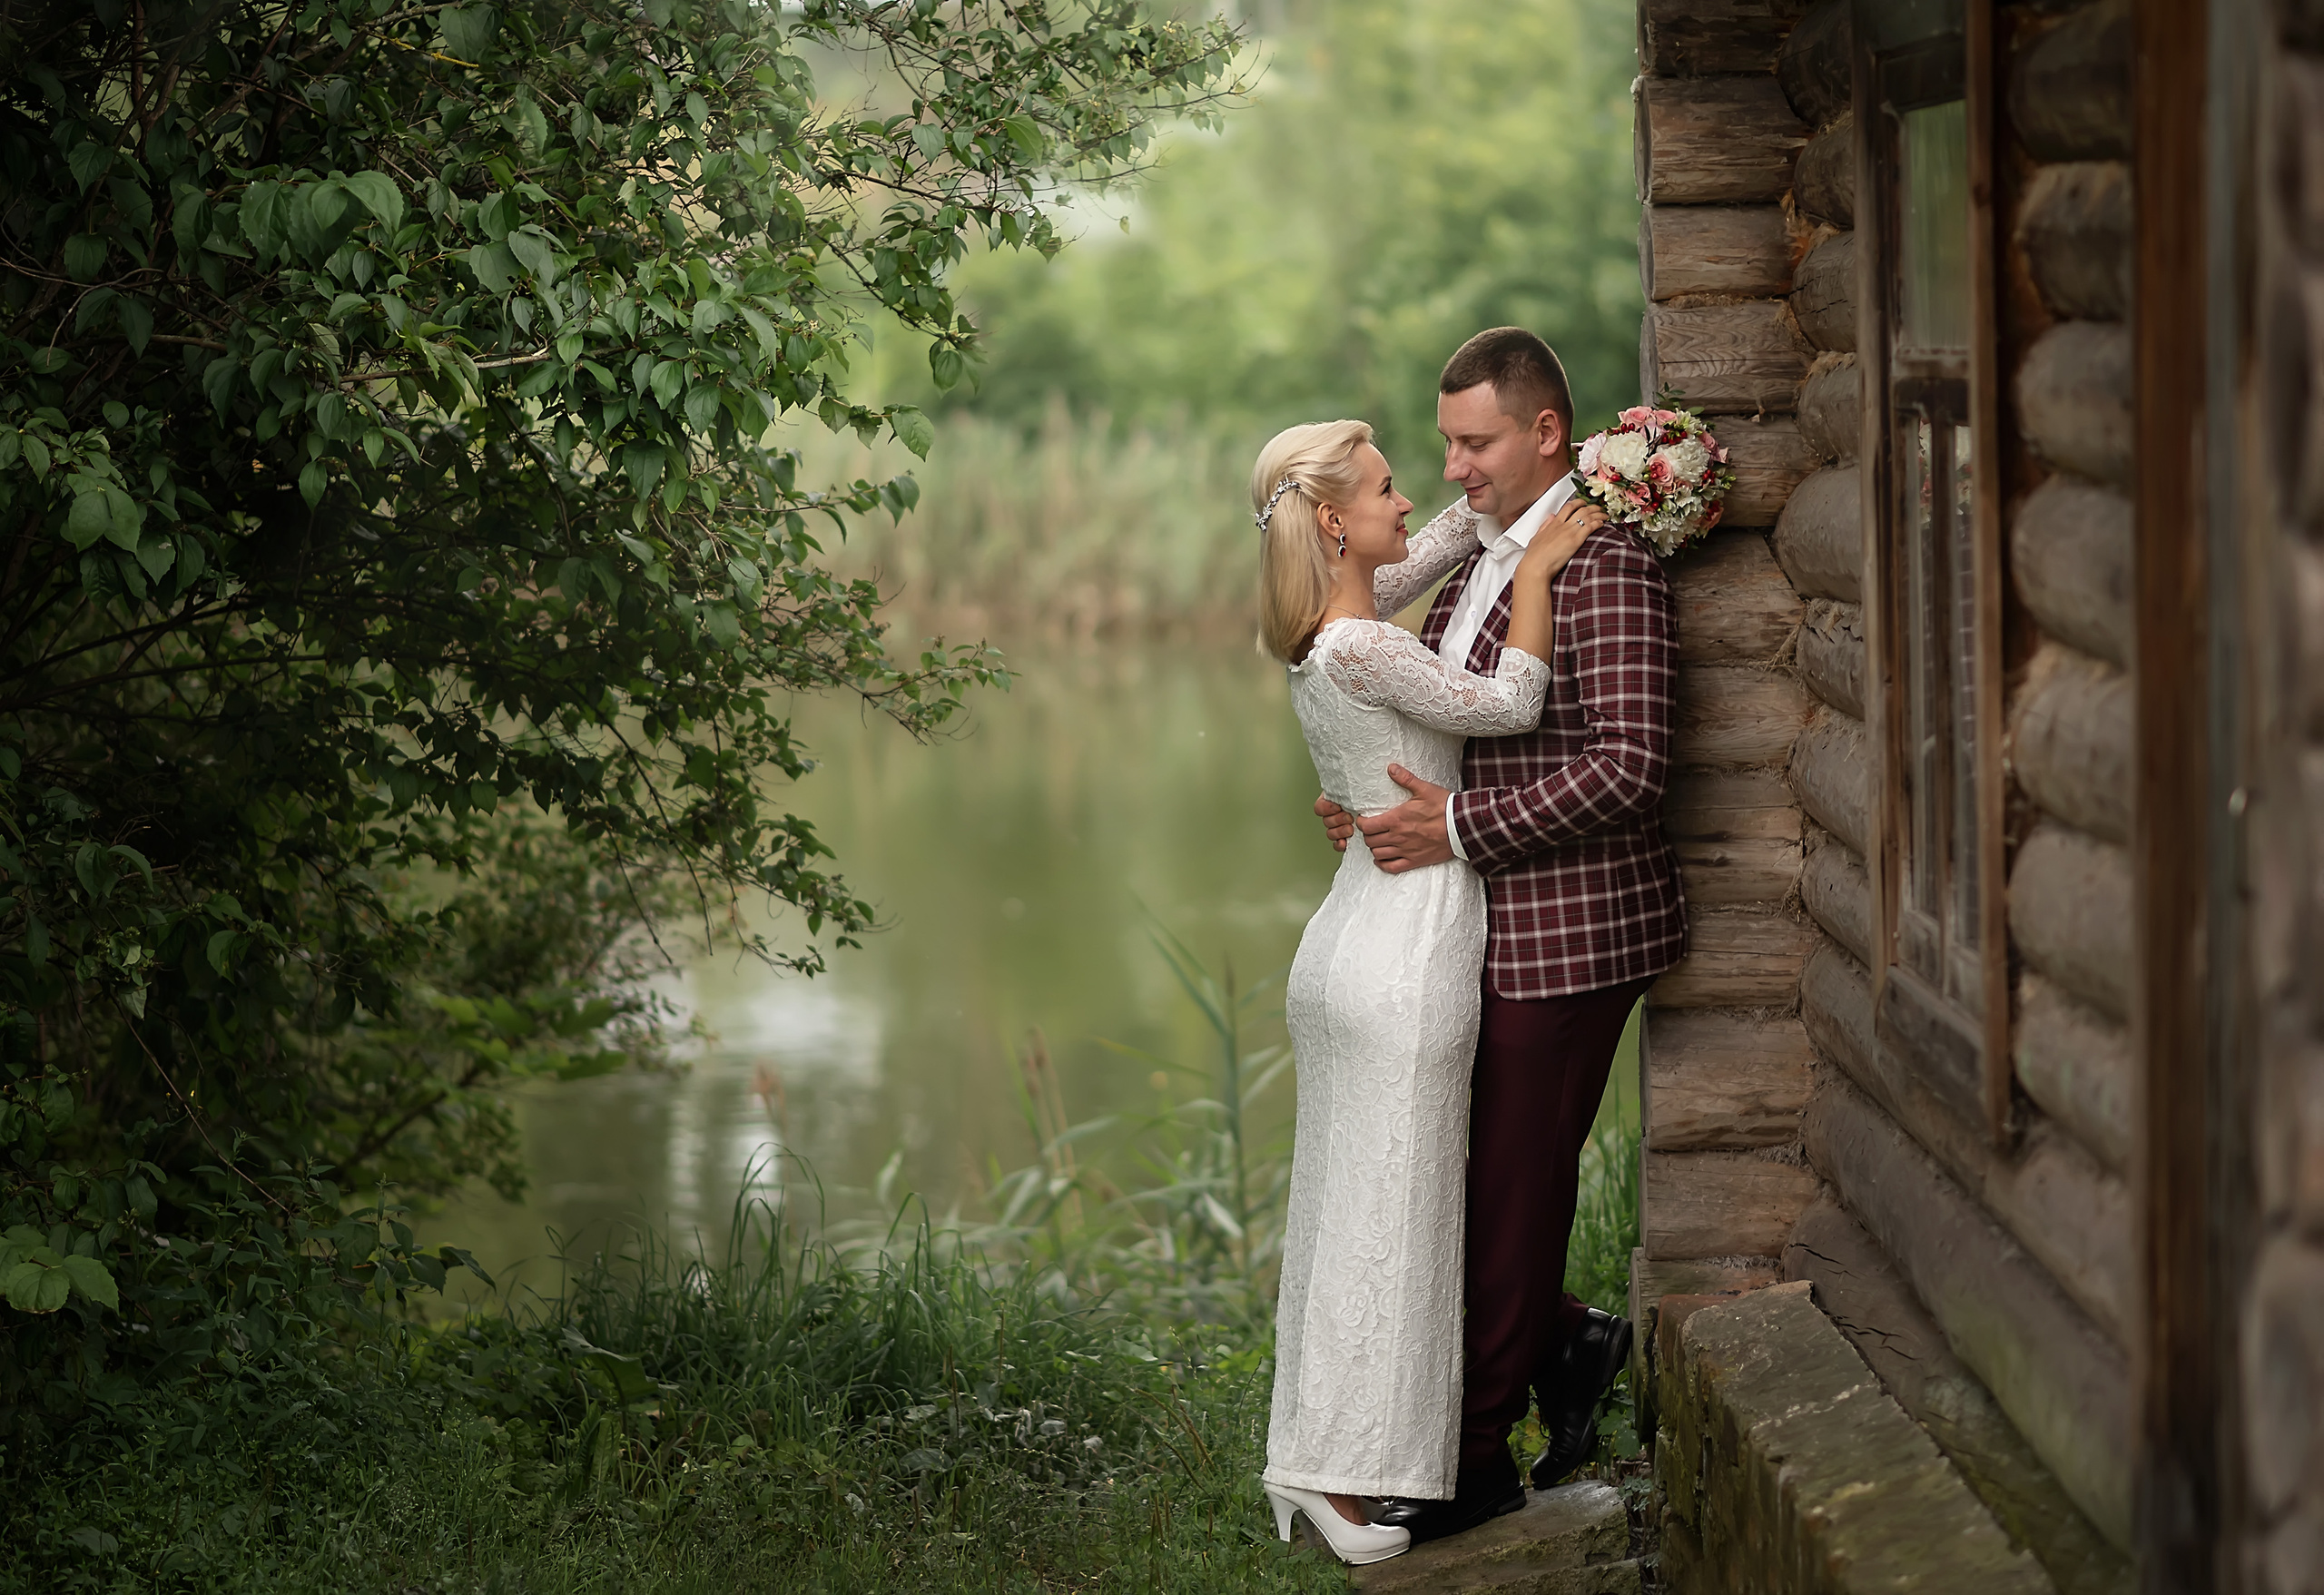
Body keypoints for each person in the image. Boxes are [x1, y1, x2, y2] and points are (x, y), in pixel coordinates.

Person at [1315, 328, 1687, 1546]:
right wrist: (1386, 808)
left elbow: (1631, 766)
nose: (1457, 466)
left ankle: (1473, 1465)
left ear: (1543, 433)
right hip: (1480, 925)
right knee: (1469, 1183)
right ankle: (1572, 1342)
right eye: (1446, 445)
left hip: (1573, 936)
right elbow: (1454, 715)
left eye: (1475, 442)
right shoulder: (1485, 552)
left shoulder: (1605, 560)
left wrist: (1459, 827)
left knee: (1507, 1195)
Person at [1252, 418, 1606, 1565]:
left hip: (1351, 927)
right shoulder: (1360, 642)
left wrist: (1589, 450)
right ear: (1331, 521)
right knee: (1393, 1219)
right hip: (1405, 940)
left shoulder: (1325, 619)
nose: (1415, 496)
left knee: (1348, 1211)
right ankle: (1348, 1476)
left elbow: (1447, 530)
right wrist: (1545, 567)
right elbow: (1509, 707)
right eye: (1386, 485)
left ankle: (1319, 1462)